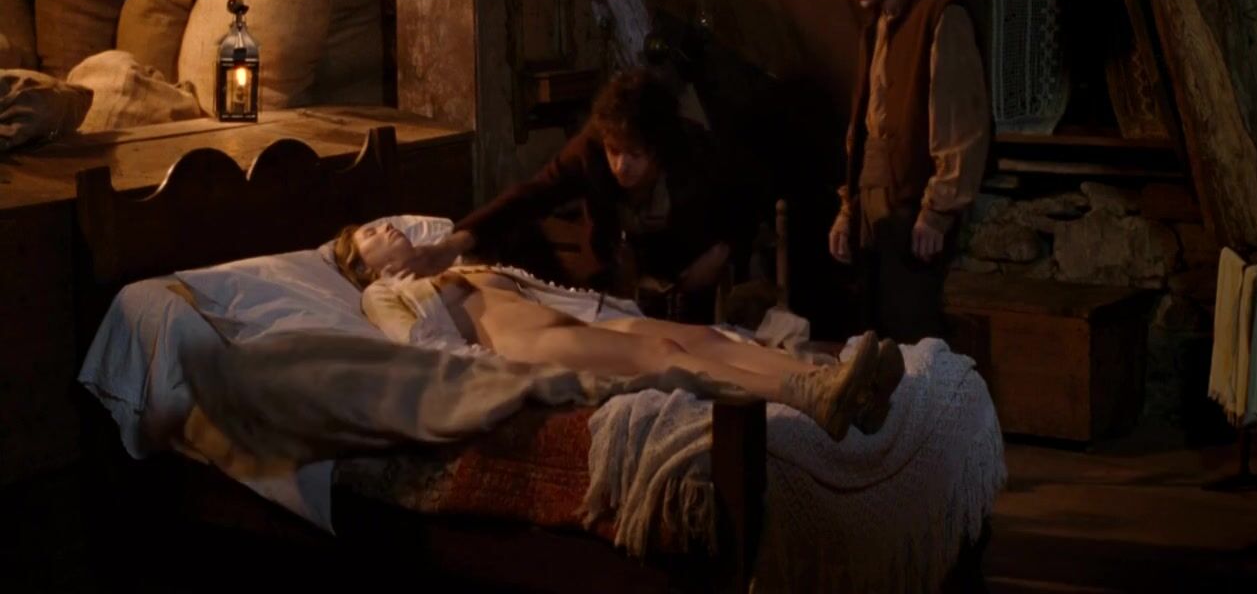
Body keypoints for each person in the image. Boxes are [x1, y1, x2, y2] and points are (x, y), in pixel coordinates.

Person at [333, 221, 905, 442]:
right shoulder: (384, 294)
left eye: (385, 224)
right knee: (663, 353)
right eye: (371, 235)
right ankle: (807, 394)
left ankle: (832, 379)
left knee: (703, 338)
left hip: (581, 319)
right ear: (365, 266)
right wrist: (492, 379)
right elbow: (421, 345)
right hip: (531, 344)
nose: (387, 228)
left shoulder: (454, 266)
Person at [390, 67, 748, 323]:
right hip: (613, 279)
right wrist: (451, 244)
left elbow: (744, 202)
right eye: (614, 151)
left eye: (634, 154)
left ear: (657, 150)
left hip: (685, 269)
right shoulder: (591, 150)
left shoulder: (692, 153)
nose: (621, 166)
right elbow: (531, 195)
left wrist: (719, 252)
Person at [828, 0, 992, 344]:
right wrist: (848, 210)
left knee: (912, 339)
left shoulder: (940, 15)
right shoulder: (875, 29)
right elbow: (862, 128)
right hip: (873, 203)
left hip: (910, 204)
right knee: (871, 337)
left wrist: (938, 211)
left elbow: (960, 122)